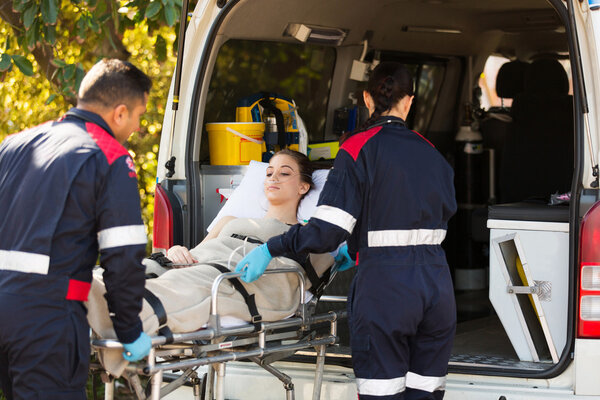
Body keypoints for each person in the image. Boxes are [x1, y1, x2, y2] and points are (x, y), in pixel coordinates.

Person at [236, 62, 457, 400]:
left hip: (386, 290)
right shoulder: (432, 152)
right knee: (426, 394)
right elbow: (429, 217)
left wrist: (272, 247)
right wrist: (356, 248)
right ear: (410, 101)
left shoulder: (357, 147)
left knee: (381, 394)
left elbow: (326, 232)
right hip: (437, 290)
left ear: (367, 98)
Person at [86, 149, 335, 376]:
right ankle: (86, 290)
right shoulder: (229, 220)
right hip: (202, 262)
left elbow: (305, 277)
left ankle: (122, 314)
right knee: (149, 269)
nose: (273, 178)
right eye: (269, 172)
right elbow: (199, 252)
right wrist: (176, 251)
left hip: (231, 275)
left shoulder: (307, 233)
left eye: (284, 173)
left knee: (187, 282)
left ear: (303, 187)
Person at [0, 59, 152, 400]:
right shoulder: (109, 157)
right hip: (45, 319)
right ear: (120, 112)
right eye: (140, 117)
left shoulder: (12, 146)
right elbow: (123, 258)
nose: (137, 128)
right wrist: (128, 329)